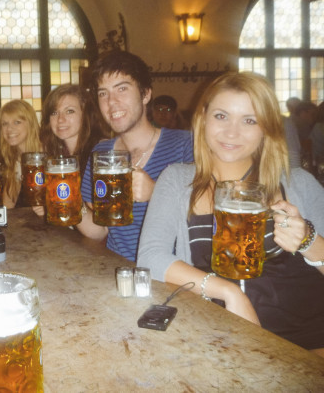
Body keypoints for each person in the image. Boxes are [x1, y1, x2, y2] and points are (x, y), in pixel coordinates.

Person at [137, 72, 324, 356]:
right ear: (203, 118)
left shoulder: (299, 183)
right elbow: (150, 257)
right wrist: (228, 293)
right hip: (228, 344)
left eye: (249, 120)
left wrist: (308, 240)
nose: (231, 133)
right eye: (221, 116)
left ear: (266, 128)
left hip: (308, 346)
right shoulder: (177, 180)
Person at [77, 50, 194, 261]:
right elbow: (99, 230)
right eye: (103, 93)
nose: (111, 102)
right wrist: (69, 202)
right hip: (119, 273)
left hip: (171, 278)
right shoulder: (100, 153)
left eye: (122, 89)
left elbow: (206, 220)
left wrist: (157, 192)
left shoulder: (186, 145)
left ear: (146, 94)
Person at [39, 83, 109, 179]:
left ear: (85, 114)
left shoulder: (102, 151)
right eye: (54, 113)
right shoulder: (53, 152)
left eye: (69, 111)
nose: (60, 119)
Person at [0, 99, 42, 208]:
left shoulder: (47, 155)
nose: (9, 129)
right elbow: (8, 204)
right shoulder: (15, 158)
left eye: (17, 122)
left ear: (31, 124)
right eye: (5, 124)